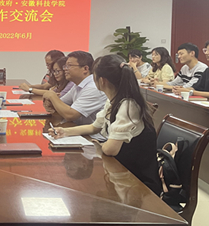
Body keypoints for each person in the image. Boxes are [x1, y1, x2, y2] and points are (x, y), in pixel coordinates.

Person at [51, 55, 162, 196]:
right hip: (123, 172)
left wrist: (99, 144)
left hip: (137, 183)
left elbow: (110, 149)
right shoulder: (113, 100)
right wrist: (65, 132)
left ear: (102, 81)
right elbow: (94, 127)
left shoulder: (128, 106)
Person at [42, 51, 106, 126]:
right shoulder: (77, 85)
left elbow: (70, 115)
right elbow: (59, 104)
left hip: (91, 132)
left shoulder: (93, 88)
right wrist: (51, 101)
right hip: (78, 128)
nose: (65, 69)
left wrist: (51, 96)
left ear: (85, 69)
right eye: (65, 66)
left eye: (69, 66)